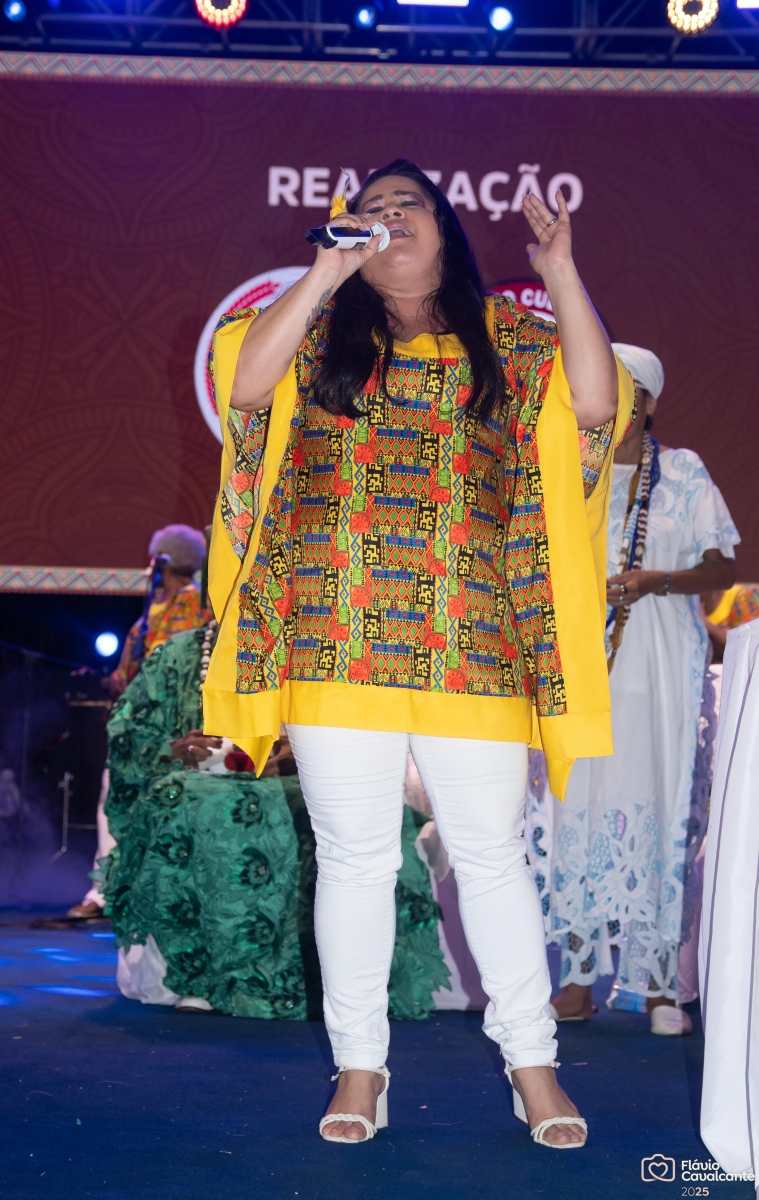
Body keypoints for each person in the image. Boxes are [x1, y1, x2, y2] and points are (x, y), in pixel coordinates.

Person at [203, 158, 632, 1147]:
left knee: (491, 855)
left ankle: (533, 1067)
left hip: (473, 635)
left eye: (410, 206)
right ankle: (360, 1069)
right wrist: (325, 270)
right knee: (354, 858)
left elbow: (595, 408)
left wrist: (560, 273)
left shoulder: (509, 338)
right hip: (333, 631)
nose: (391, 217)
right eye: (372, 208)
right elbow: (247, 388)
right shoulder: (316, 330)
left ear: (445, 230)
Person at [536, 343, 738, 1036]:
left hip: (659, 663)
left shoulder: (682, 472)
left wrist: (659, 581)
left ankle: (656, 987)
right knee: (575, 808)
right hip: (581, 661)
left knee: (658, 801)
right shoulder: (569, 471)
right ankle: (575, 981)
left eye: (628, 392)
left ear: (648, 402)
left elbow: (720, 569)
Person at [99, 620, 449, 1019]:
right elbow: (128, 733)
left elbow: (378, 721)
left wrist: (304, 752)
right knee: (185, 800)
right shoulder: (179, 654)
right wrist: (172, 750)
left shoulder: (325, 640)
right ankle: (203, 976)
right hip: (200, 782)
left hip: (313, 778)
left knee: (332, 809)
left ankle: (329, 984)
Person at [66, 523, 209, 919]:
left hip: (178, 728)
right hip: (140, 729)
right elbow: (130, 672)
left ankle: (135, 892)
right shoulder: (151, 613)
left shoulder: (195, 604)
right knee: (115, 798)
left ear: (165, 561)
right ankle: (106, 891)